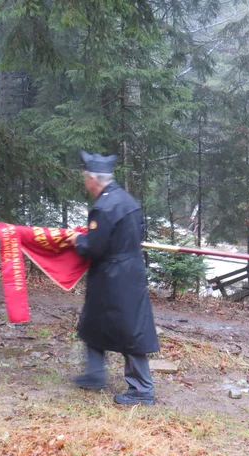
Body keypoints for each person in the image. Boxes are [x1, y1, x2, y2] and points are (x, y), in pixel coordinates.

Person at [68, 151, 159, 406]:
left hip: (113, 275)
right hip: (127, 271)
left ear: (94, 179)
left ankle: (142, 390)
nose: (85, 182)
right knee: (94, 323)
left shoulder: (104, 207)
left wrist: (78, 241)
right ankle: (95, 375)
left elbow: (94, 248)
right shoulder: (126, 200)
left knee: (130, 331)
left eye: (85, 177)